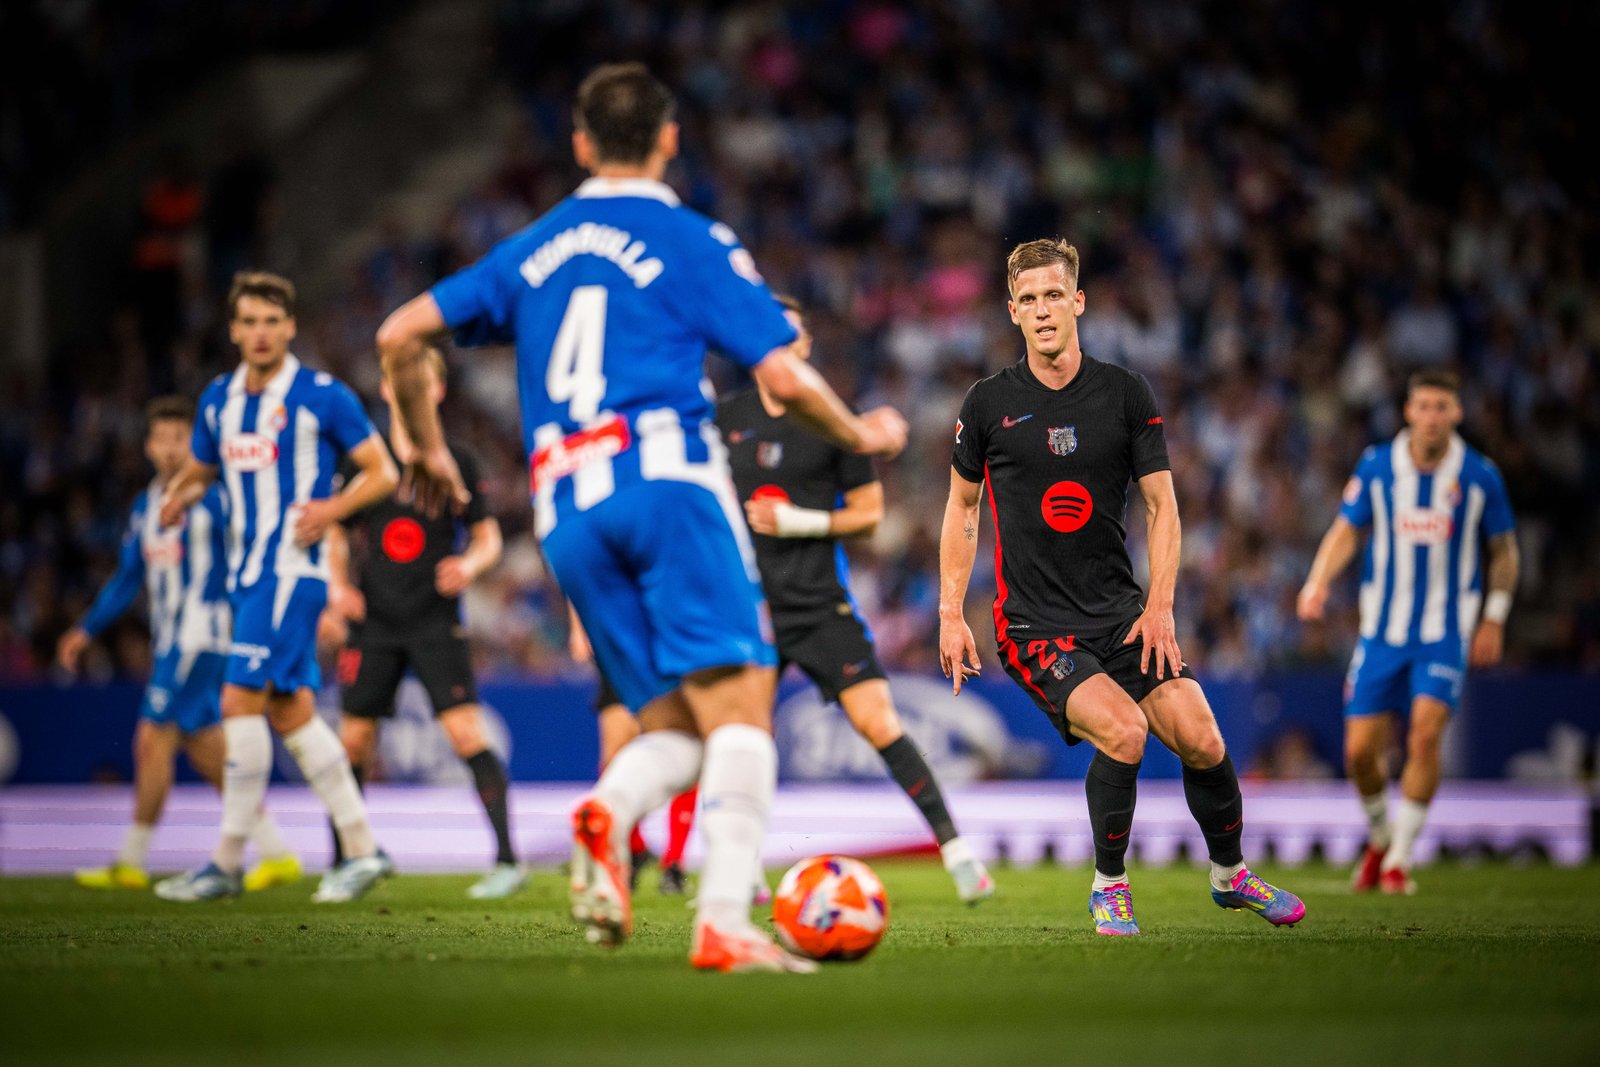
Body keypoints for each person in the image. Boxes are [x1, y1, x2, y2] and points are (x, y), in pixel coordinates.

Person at [375, 63, 906, 972]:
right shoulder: (689, 236)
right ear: (667, 140)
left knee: (674, 727)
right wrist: (861, 431)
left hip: (566, 510)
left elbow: (397, 335)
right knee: (743, 714)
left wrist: (418, 441)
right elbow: (780, 372)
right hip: (666, 483)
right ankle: (726, 923)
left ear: (579, 144)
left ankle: (607, 813)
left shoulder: (531, 246)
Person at [937, 238, 1304, 936]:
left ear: (1077, 301)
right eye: (1029, 299)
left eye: (1055, 295)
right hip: (1035, 625)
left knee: (1203, 738)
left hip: (1123, 615)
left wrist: (1161, 605)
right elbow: (960, 509)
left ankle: (1230, 876)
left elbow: (1165, 508)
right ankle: (1109, 887)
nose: (1043, 310)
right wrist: (951, 613)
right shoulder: (988, 405)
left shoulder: (1126, 393)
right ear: (1012, 311)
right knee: (1126, 730)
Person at [717, 296, 994, 904]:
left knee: (879, 722)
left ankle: (957, 851)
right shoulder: (724, 418)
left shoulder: (832, 421)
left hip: (817, 605)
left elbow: (868, 516)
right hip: (747, 610)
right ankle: (739, 870)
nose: (779, 346)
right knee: (742, 738)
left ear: (807, 346)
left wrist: (798, 522)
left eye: (790, 335)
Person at [153, 271, 398, 903]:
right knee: (291, 714)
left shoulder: (323, 394)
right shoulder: (217, 400)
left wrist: (333, 510)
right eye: (250, 322)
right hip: (247, 574)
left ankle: (228, 861)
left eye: (272, 321)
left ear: (291, 327)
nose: (261, 333)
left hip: (291, 570)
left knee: (238, 702)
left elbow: (382, 472)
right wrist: (180, 497)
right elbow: (205, 466)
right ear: (233, 330)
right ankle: (364, 850)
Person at [56, 396, 299, 892]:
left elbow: (254, 547)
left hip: (203, 635)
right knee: (208, 750)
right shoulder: (146, 505)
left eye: (180, 439)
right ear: (147, 446)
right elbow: (128, 577)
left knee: (153, 738)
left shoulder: (215, 498)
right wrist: (86, 629)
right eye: (162, 439)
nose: (171, 450)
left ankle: (131, 860)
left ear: (196, 445)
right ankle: (276, 852)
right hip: (175, 636)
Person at [1298, 369, 1518, 894]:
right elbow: (1348, 531)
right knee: (1358, 754)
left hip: (1444, 633)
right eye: (1424, 406)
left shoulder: (1480, 475)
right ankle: (1380, 837)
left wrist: (1494, 615)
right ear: (1408, 412)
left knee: (1423, 736)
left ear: (1457, 414)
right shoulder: (1378, 466)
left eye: (1443, 406)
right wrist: (1317, 582)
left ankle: (1398, 859)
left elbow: (1504, 551)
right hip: (1381, 635)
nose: (1432, 416)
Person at [324, 350, 519, 899]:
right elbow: (338, 530)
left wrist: (471, 565)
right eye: (399, 379)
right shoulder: (364, 461)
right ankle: (346, 861)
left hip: (435, 621)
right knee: (354, 743)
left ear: (436, 391)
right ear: (387, 390)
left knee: (465, 734)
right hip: (375, 622)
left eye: (422, 379)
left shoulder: (459, 458)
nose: (409, 388)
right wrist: (338, 587)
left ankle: (507, 860)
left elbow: (487, 537)